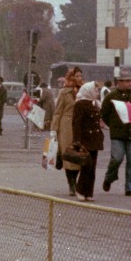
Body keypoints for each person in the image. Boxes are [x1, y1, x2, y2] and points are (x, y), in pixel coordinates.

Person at [100, 69, 131, 196]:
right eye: (126, 81)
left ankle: (130, 188)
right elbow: (104, 114)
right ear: (119, 82)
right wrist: (113, 125)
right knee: (117, 158)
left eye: (130, 81)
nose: (130, 83)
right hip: (117, 133)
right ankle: (109, 177)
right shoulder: (111, 96)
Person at [70, 81, 105, 202]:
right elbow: (76, 124)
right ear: (88, 90)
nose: (97, 92)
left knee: (92, 167)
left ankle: (89, 193)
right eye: (95, 90)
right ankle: (80, 190)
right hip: (85, 140)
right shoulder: (80, 104)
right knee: (86, 166)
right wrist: (76, 141)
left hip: (94, 139)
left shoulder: (95, 103)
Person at [51, 67, 84, 197]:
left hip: (80, 126)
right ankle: (71, 184)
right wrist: (54, 129)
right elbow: (58, 111)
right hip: (66, 126)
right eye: (77, 76)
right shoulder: (64, 92)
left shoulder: (84, 91)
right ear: (71, 77)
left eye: (81, 76)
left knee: (78, 156)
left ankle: (75, 181)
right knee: (69, 156)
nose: (79, 78)